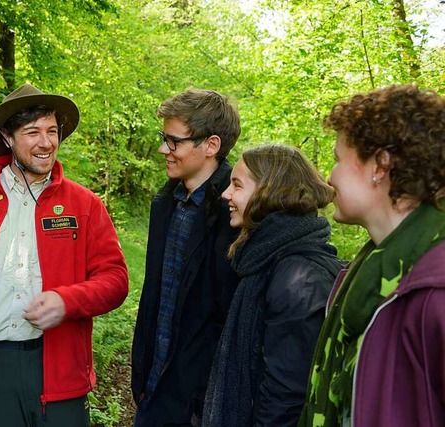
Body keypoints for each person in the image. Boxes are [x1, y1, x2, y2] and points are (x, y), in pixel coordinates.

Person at [0, 83, 129, 426]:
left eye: (52, 131)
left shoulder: (84, 204)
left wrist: (67, 301)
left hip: (60, 369)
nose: (46, 143)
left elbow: (116, 280)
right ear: (8, 137)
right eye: (32, 132)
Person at [298, 84, 445, 427]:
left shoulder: (432, 289)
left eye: (338, 159)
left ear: (380, 165)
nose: (329, 175)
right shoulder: (369, 270)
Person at [201, 144, 344, 427]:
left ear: (269, 194)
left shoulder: (299, 278)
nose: (226, 194)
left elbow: (286, 399)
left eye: (237, 186)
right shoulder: (265, 259)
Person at [131, 88, 242, 426]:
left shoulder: (236, 213)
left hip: (202, 403)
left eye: (174, 141)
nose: (164, 149)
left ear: (210, 145)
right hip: (154, 389)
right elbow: (156, 297)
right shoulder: (166, 203)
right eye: (164, 139)